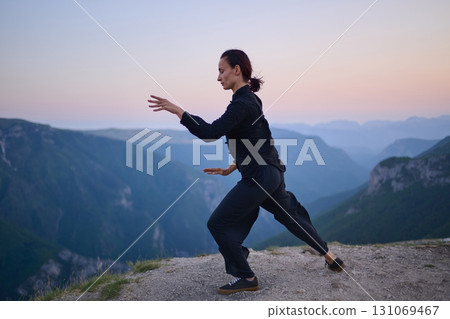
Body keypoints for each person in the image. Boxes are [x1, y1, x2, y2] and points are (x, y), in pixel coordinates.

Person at [148, 49, 345, 295]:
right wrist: (234, 166)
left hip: (259, 177)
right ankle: (330, 256)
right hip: (271, 173)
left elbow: (210, 132)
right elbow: (260, 138)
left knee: (218, 223)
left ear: (236, 70)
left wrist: (179, 112)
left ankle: (246, 277)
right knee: (290, 214)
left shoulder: (242, 103)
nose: (218, 78)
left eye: (221, 71)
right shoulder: (250, 100)